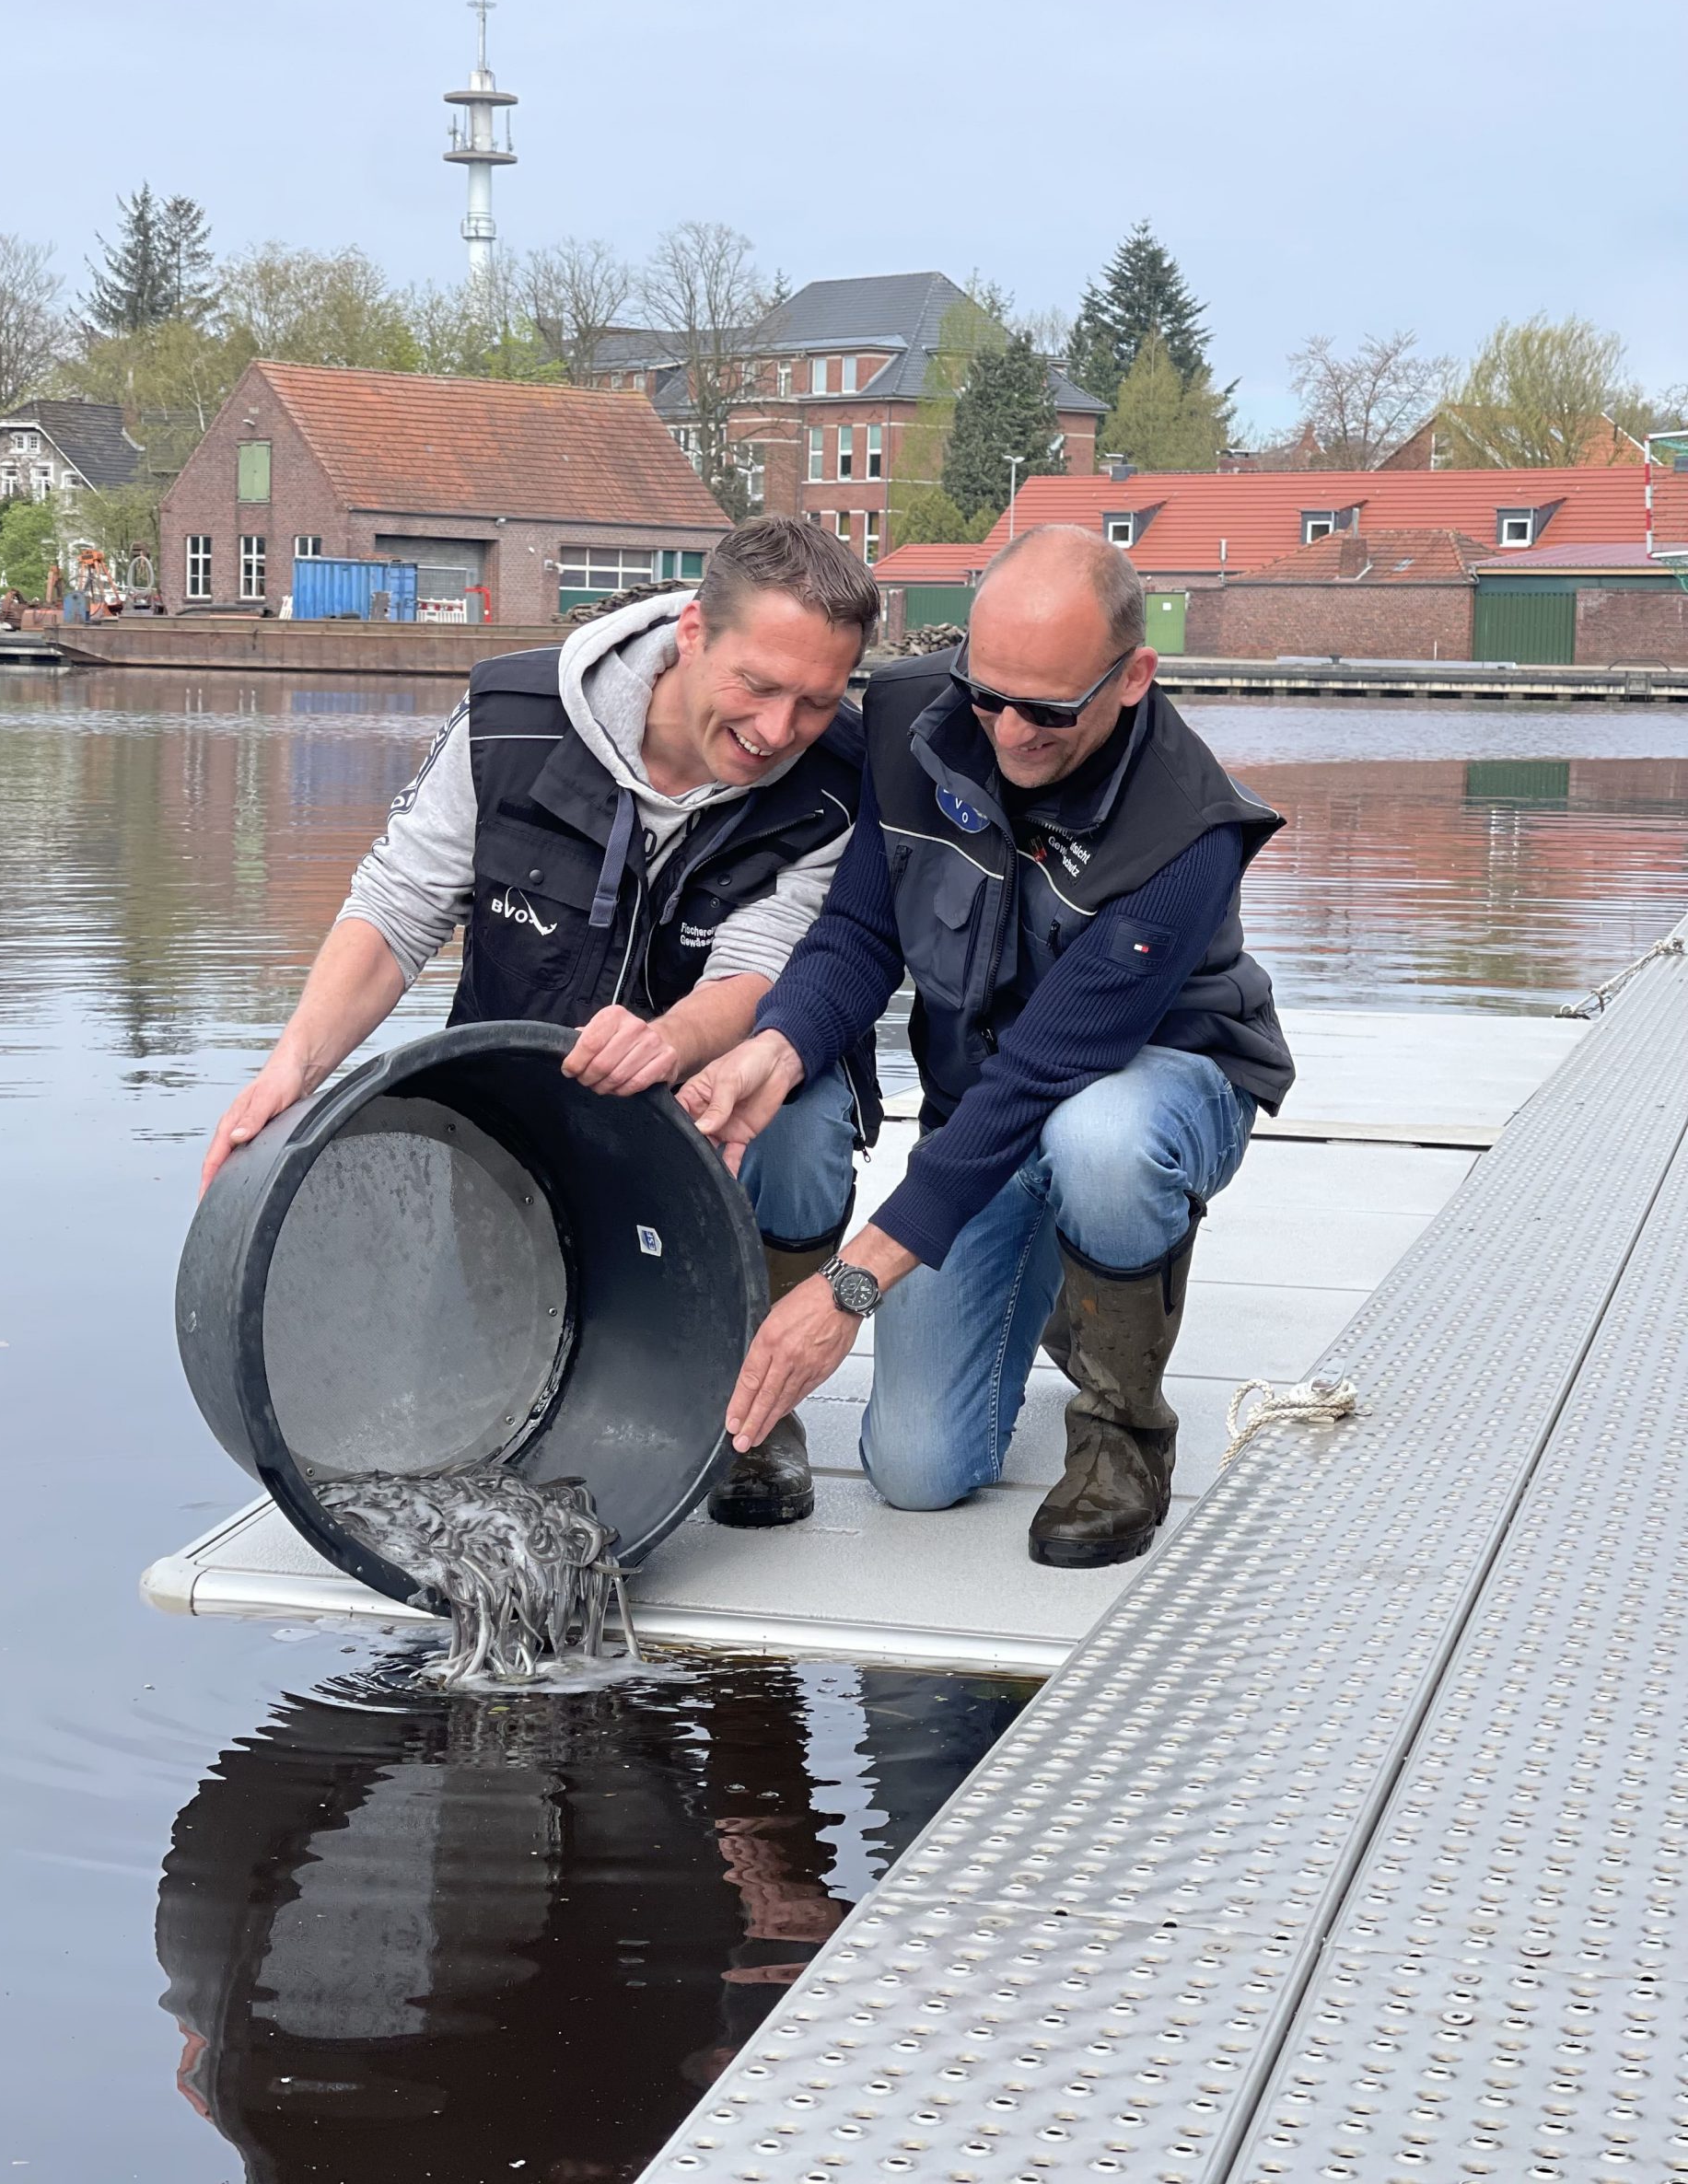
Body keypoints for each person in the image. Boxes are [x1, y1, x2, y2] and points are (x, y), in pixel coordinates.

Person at [201, 515, 882, 1528]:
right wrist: (291, 1064)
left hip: (716, 1099)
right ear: (693, 630)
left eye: (816, 702)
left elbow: (760, 971)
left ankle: (758, 1399)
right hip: (524, 1102)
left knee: (806, 1125)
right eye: (759, 686)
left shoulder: (838, 786)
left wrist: (669, 1041)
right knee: (478, 1403)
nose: (779, 730)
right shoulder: (508, 714)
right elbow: (395, 908)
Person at [680, 524, 1296, 1569]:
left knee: (1099, 1136)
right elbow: (860, 935)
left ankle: (1123, 1431)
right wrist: (773, 1052)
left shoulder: (1191, 835)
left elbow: (1043, 1072)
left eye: (1047, 710)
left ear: (1133, 676)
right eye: (987, 692)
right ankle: (1077, 1283)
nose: (1007, 730)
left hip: (1156, 1086)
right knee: (918, 1474)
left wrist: (849, 1286)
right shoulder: (911, 720)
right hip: (991, 1106)